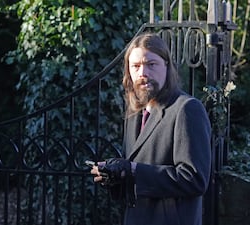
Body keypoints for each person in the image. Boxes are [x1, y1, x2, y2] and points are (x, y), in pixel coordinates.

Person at [90, 32, 211, 225]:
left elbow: (195, 179)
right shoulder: (134, 113)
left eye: (151, 64)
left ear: (166, 65)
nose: (143, 73)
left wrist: (134, 170)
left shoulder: (187, 108)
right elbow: (136, 177)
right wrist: (115, 175)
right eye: (136, 66)